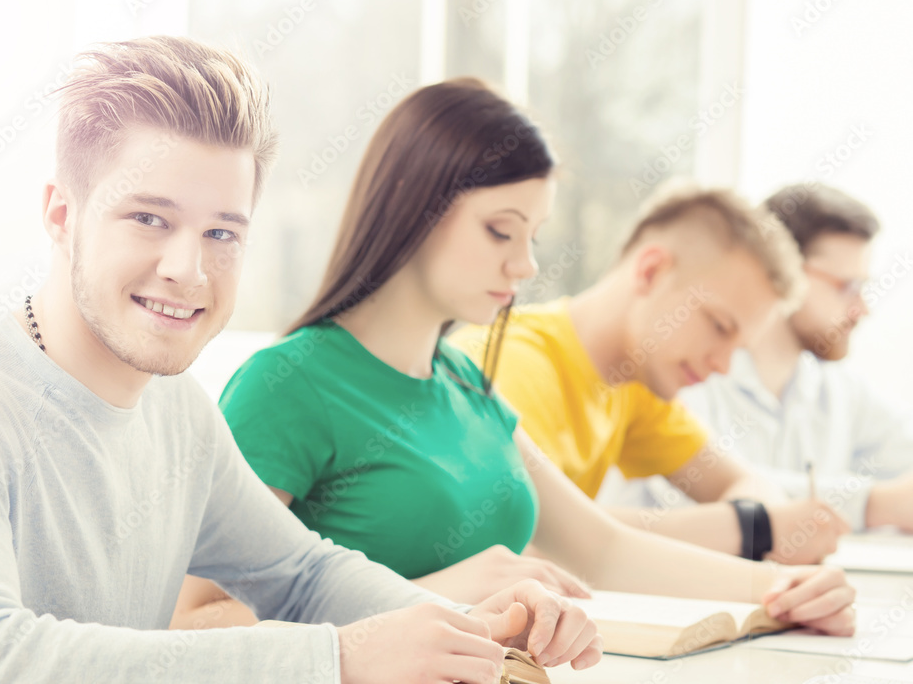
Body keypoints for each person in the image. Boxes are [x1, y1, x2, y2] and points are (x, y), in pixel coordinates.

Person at [0, 37, 602, 684]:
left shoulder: (178, 410)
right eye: (149, 218)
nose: (188, 269)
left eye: (221, 232)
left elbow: (301, 573)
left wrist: (465, 630)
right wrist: (333, 659)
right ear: (62, 215)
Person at [174, 78, 856, 637]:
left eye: (533, 234)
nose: (525, 262)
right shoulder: (291, 384)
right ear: (416, 206)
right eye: (501, 229)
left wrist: (784, 586)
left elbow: (602, 549)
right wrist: (437, 592)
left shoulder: (463, 382)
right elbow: (189, 622)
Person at [450, 183, 850, 566]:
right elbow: (529, 540)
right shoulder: (508, 363)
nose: (723, 365)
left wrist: (753, 524)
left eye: (738, 348)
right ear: (652, 271)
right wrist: (749, 529)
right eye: (719, 326)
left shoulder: (634, 382)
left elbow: (754, 488)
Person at [678, 183, 913, 540]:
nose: (862, 309)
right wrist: (874, 503)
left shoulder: (840, 391)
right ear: (780, 269)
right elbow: (705, 502)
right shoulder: (692, 372)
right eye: (846, 286)